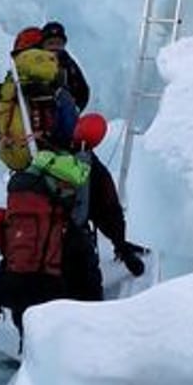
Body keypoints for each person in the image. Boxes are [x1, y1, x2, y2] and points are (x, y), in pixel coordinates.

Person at [64, 113, 147, 301]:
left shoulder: (51, 154)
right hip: (76, 243)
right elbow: (109, 213)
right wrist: (124, 250)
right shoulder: (94, 171)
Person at [41, 21, 90, 112]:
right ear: (43, 45)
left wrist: (76, 109)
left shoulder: (68, 64)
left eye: (58, 43)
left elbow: (83, 91)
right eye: (51, 43)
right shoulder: (35, 62)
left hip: (63, 115)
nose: (55, 47)